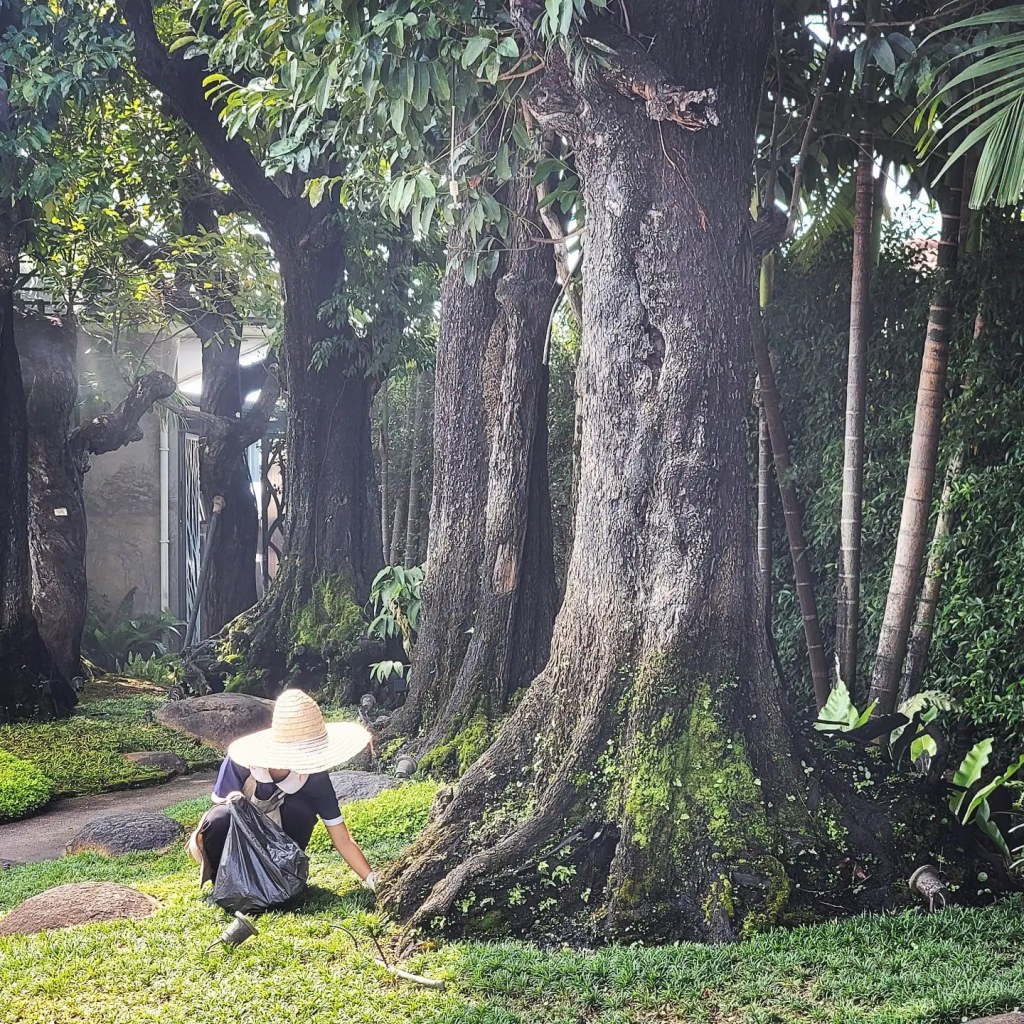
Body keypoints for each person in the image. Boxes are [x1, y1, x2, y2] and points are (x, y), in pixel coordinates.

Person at [187, 688, 377, 895]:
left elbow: (341, 837)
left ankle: (285, 875)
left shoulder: (315, 777)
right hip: (237, 839)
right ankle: (225, 883)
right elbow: (221, 824)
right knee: (219, 817)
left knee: (301, 809)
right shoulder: (241, 762)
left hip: (280, 849)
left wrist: (371, 878)